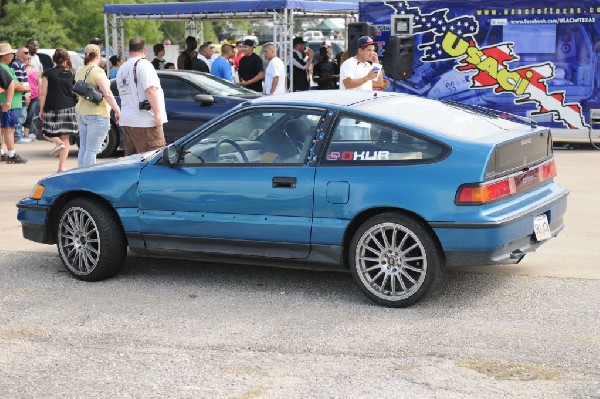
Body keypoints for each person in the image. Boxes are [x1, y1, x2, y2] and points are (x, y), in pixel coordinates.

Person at [116, 37, 167, 156]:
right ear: (145, 50)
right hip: (145, 121)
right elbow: (150, 90)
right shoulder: (144, 64)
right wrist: (157, 114)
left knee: (132, 162)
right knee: (154, 159)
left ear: (129, 50)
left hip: (128, 120)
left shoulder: (122, 68)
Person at [74, 44, 121, 167]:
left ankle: (81, 174)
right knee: (92, 150)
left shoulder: (80, 70)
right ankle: (89, 177)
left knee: (84, 148)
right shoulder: (98, 71)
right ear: (98, 55)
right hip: (97, 113)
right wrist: (117, 110)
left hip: (82, 112)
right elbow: (107, 93)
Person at [39, 48, 78, 172]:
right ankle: (61, 167)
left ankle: (57, 142)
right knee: (65, 138)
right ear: (66, 60)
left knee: (47, 133)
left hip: (53, 107)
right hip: (69, 108)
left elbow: (43, 93)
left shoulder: (47, 73)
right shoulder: (71, 73)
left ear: (54, 60)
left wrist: (41, 108)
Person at [0, 43, 28, 163]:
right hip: (10, 104)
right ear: (4, 55)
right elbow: (13, 84)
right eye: (10, 53)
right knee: (9, 129)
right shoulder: (3, 68)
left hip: (8, 103)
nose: (12, 55)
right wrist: (26, 88)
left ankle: (2, 152)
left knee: (3, 128)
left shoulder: (6, 67)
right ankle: (11, 154)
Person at [10, 46, 32, 144]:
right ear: (18, 54)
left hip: (22, 94)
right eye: (25, 53)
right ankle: (17, 137)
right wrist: (26, 94)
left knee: (22, 116)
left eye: (28, 53)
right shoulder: (17, 64)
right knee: (20, 117)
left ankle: (18, 135)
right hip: (20, 95)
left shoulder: (21, 64)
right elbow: (20, 82)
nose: (28, 55)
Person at [23, 52, 41, 140]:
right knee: (23, 115)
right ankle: (22, 133)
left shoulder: (34, 70)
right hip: (25, 95)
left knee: (31, 114)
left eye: (30, 58)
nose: (29, 60)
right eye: (28, 58)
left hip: (35, 95)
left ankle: (27, 134)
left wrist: (40, 92)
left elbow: (38, 82)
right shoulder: (22, 69)